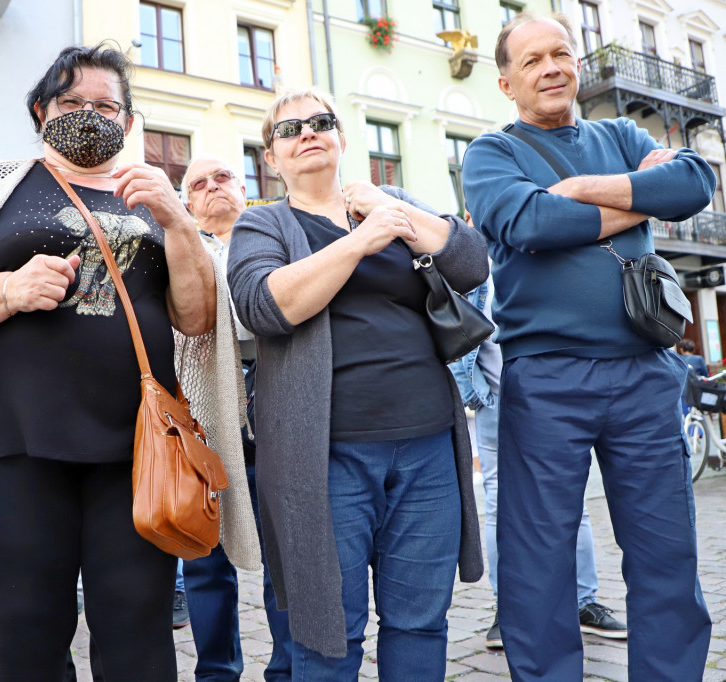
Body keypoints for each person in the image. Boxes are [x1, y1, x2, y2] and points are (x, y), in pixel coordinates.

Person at [0, 44, 260, 681]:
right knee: (26, 631)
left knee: (138, 627)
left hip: (138, 449)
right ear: (41, 110)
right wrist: (6, 290)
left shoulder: (152, 194)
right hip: (16, 444)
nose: (89, 114)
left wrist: (177, 221)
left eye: (106, 106)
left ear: (127, 121)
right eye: (72, 102)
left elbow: (199, 321)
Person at [461, 11, 714, 680]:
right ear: (506, 81)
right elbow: (528, 220)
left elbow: (694, 184)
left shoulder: (619, 133)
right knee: (538, 563)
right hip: (546, 380)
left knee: (667, 555)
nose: (551, 68)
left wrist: (577, 191)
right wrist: (642, 196)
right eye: (533, 60)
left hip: (645, 372)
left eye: (560, 53)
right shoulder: (493, 153)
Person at [227, 87, 486, 681]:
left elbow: (471, 264)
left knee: (421, 620)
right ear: (272, 156)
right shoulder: (262, 222)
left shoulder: (388, 204)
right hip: (325, 457)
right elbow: (265, 306)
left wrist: (388, 211)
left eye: (321, 122)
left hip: (427, 446)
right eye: (290, 129)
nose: (308, 134)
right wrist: (361, 240)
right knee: (327, 634)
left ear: (342, 138)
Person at [448, 269, 626, 650]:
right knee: (499, 503)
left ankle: (582, 603)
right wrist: (474, 395)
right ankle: (507, 607)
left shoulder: (544, 248)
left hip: (555, 397)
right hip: (500, 402)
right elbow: (453, 329)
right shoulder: (473, 267)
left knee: (572, 502)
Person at [179, 156, 293, 681]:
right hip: (200, 412)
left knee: (284, 555)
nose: (211, 188)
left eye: (222, 177)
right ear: (186, 205)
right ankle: (216, 673)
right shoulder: (176, 251)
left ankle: (288, 669)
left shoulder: (273, 236)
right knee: (204, 561)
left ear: (245, 189)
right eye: (198, 184)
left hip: (272, 402)